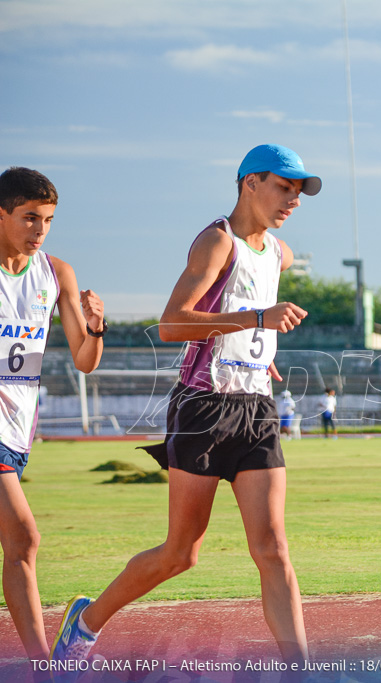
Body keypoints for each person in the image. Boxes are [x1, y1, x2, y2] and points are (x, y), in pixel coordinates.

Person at [51, 144, 320, 668]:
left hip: (256, 409)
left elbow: (246, 311)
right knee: (181, 553)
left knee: (273, 550)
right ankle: (84, 623)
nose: (294, 200)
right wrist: (257, 322)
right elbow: (173, 323)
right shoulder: (217, 241)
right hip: (203, 408)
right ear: (250, 183)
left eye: (298, 192)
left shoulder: (279, 253)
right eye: (284, 187)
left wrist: (258, 354)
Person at [0, 167, 106, 667]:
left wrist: (96, 327)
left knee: (17, 543)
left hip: (19, 432)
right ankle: (44, 666)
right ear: (2, 214)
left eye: (48, 220)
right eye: (29, 218)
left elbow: (85, 361)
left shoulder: (56, 274)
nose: (40, 230)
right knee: (24, 538)